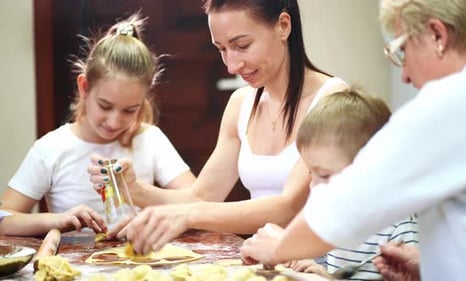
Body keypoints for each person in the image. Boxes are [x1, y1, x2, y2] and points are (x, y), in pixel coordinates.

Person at [240, 0, 466, 280]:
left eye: (402, 51)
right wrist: (430, 266)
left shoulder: (456, 99)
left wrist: (280, 247)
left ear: (437, 35)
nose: (405, 74)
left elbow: (347, 204)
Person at [87, 0, 348, 254]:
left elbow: (288, 207)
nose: (231, 65)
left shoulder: (332, 100)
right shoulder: (241, 103)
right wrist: (135, 190)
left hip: (318, 268)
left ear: (283, 25)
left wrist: (187, 215)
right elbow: (202, 197)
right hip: (267, 263)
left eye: (242, 46)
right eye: (221, 49)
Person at [0, 12, 195, 237]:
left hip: (137, 264)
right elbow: (4, 219)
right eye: (104, 106)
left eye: (130, 110)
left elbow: (199, 204)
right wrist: (58, 220)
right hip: (74, 268)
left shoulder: (150, 139)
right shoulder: (51, 148)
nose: (114, 121)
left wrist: (144, 203)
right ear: (84, 87)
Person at [283, 90, 418, 280]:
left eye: (324, 175)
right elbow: (328, 271)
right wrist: (313, 268)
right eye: (310, 173)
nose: (313, 186)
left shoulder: (399, 227)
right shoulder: (332, 217)